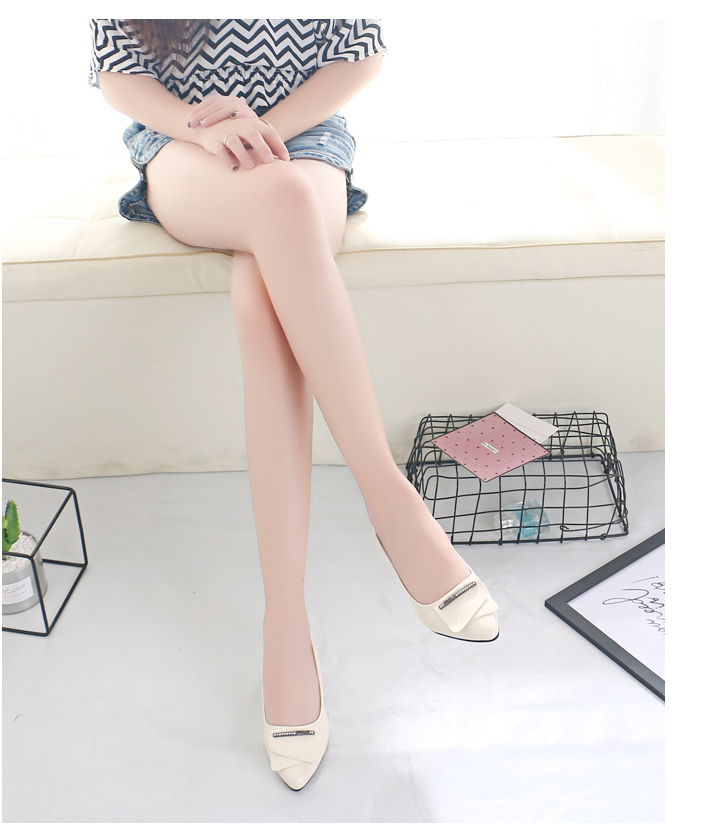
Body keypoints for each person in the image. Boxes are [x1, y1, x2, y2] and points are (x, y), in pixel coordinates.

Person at [89, 18, 499, 791]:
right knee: (275, 200)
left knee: (262, 298)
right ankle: (391, 504)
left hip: (304, 142)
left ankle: (286, 624)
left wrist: (265, 129)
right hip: (184, 148)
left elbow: (361, 52)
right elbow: (116, 72)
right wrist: (204, 126)